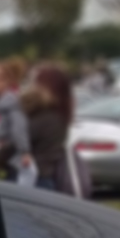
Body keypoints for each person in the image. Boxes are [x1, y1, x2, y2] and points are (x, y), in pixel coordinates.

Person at [22, 64, 76, 193]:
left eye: (35, 82)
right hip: (46, 178)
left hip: (34, 179)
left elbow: (15, 143)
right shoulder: (60, 115)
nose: (30, 86)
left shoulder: (44, 117)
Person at [0, 59, 33, 180]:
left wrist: (24, 152)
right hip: (2, 160)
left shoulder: (11, 103)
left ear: (8, 82)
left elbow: (19, 129)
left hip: (11, 163)